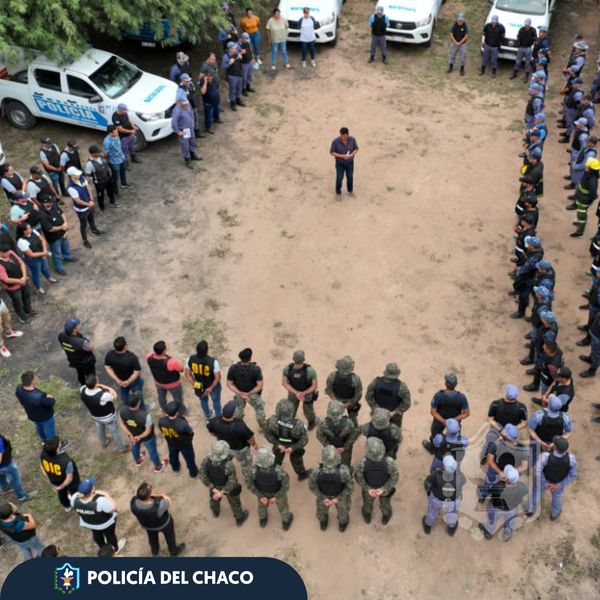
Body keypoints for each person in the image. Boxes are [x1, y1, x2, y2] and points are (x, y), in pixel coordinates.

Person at [198, 440, 249, 526]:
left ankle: (215, 511)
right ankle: (239, 518)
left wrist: (212, 487)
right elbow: (232, 481)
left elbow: (202, 474)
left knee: (214, 499)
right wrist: (223, 492)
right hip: (228, 488)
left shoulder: (206, 460)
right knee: (235, 502)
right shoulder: (228, 465)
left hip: (214, 485)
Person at [71, 477, 126, 554]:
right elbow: (114, 508)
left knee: (97, 535)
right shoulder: (100, 501)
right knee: (110, 536)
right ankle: (114, 550)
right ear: (92, 490)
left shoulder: (73, 498)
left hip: (90, 523)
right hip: (105, 523)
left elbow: (76, 508)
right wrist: (106, 494)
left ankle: (102, 548)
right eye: (92, 486)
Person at [130, 482, 185, 557]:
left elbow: (142, 497)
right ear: (149, 495)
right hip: (164, 525)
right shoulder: (159, 505)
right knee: (170, 537)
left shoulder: (133, 503)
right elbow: (169, 501)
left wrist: (150, 495)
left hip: (148, 526)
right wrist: (162, 495)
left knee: (152, 539)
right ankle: (173, 551)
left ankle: (155, 553)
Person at [245, 447, 294, 530]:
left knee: (262, 507)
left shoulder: (252, 471)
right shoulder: (279, 471)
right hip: (278, 493)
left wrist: (261, 496)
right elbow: (285, 486)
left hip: (262, 493)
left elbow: (249, 485)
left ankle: (263, 519)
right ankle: (286, 521)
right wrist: (276, 497)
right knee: (283, 508)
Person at [119, 392, 169, 473]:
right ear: (138, 403)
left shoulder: (122, 410)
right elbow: (148, 430)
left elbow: (121, 423)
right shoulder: (145, 416)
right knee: (152, 451)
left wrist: (130, 435)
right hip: (147, 438)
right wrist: (139, 437)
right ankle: (158, 467)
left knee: (135, 447)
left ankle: (138, 460)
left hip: (133, 435)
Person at [478, 423, 528, 501]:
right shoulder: (521, 447)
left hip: (496, 470)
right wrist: (509, 473)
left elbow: (490, 460)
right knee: (492, 484)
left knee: (490, 482)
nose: (503, 432)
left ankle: (486, 495)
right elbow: (524, 465)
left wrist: (507, 473)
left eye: (504, 431)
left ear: (506, 435)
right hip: (499, 470)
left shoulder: (497, 444)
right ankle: (486, 494)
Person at [308, 445, 354, 532]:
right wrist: (338, 499)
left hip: (323, 496)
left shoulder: (316, 470)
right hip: (340, 496)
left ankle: (323, 522)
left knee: (321, 512)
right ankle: (342, 524)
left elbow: (312, 485)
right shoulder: (343, 470)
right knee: (343, 513)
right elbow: (350, 486)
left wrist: (322, 497)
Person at [529, 437, 576, 520]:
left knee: (536, 493)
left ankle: (531, 510)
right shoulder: (571, 459)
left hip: (544, 480)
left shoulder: (545, 456)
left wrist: (542, 481)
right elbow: (572, 474)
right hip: (559, 483)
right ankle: (555, 513)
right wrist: (560, 484)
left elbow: (538, 471)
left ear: (555, 447)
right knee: (557, 497)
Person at [355, 437, 398, 525]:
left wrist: (368, 488)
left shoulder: (362, 463)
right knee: (385, 503)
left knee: (367, 503)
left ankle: (367, 514)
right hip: (384, 489)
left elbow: (358, 477)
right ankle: (386, 515)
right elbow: (395, 477)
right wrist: (384, 488)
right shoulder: (390, 462)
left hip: (369, 489)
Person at [80, 374, 129, 453]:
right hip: (108, 417)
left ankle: (104, 442)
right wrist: (107, 387)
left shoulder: (82, 389)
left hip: (95, 415)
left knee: (99, 427)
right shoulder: (103, 396)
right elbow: (114, 395)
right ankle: (122, 448)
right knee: (115, 431)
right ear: (96, 384)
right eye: (97, 379)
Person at [422, 373, 470, 453]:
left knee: (435, 435)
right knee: (454, 437)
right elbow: (466, 413)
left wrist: (443, 421)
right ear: (456, 384)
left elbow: (433, 412)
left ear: (445, 383)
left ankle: (433, 448)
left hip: (439, 421)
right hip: (454, 424)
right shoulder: (461, 397)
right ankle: (450, 451)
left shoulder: (438, 396)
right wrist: (452, 421)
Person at [16, 371, 67, 445]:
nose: (36, 378)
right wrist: (50, 397)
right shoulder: (38, 397)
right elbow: (51, 402)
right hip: (45, 417)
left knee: (39, 427)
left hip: (32, 415)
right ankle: (54, 445)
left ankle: (44, 440)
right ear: (33, 381)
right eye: (35, 377)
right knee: (50, 431)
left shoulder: (19, 389)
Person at [479, 465, 528, 542]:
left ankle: (488, 532)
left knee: (492, 521)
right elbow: (525, 491)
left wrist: (499, 480)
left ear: (506, 478)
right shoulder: (523, 486)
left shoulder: (498, 486)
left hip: (496, 509)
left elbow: (489, 490)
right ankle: (507, 533)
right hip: (512, 509)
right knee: (510, 522)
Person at [264, 399, 310, 480]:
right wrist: (293, 447)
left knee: (276, 459)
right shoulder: (298, 425)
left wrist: (277, 444)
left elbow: (267, 434)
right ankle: (301, 474)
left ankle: (275, 471)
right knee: (297, 461)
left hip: (279, 445)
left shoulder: (272, 421)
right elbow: (304, 439)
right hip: (294, 446)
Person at [422, 455, 466, 536]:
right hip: (452, 501)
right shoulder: (460, 476)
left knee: (432, 511)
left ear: (444, 466)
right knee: (452, 513)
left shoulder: (436, 475)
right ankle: (451, 529)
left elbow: (427, 483)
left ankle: (428, 526)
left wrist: (429, 490)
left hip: (437, 500)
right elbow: (463, 483)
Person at [481, 385, 528, 460]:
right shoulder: (521, 407)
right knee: (509, 447)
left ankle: (485, 456)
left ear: (506, 394)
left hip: (496, 431)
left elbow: (490, 419)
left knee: (490, 444)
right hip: (511, 435)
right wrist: (513, 429)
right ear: (516, 396)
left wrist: (501, 429)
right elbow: (524, 423)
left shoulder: (496, 404)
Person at [207, 401, 257, 470]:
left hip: (225, 448)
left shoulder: (214, 421)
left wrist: (218, 435)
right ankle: (247, 473)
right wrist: (254, 444)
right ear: (233, 414)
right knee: (246, 465)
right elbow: (250, 437)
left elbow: (212, 432)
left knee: (225, 461)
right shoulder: (239, 425)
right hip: (239, 450)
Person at [104, 336, 148, 408]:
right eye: (126, 343)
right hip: (134, 381)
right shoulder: (132, 357)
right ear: (125, 346)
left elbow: (107, 367)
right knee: (138, 395)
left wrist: (117, 379)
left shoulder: (110, 355)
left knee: (124, 394)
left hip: (120, 380)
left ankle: (128, 407)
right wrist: (128, 381)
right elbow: (136, 372)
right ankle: (143, 408)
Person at [65, 166, 103, 249]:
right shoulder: (71, 188)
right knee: (83, 225)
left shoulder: (82, 178)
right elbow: (77, 200)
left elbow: (88, 188)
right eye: (76, 174)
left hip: (89, 204)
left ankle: (94, 230)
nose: (79, 175)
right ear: (71, 176)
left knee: (91, 218)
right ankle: (85, 240)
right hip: (81, 209)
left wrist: (91, 200)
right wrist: (88, 204)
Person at [226, 347, 266, 427]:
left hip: (239, 393)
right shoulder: (256, 369)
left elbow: (229, 384)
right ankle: (262, 425)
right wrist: (248, 394)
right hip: (253, 394)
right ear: (250, 358)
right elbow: (259, 386)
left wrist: (240, 393)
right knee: (259, 409)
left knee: (238, 409)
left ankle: (237, 424)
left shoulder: (233, 368)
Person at [158, 401, 198, 478]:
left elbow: (162, 430)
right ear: (177, 412)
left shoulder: (161, 421)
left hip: (171, 442)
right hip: (184, 444)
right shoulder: (182, 423)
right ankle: (193, 473)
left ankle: (175, 469)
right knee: (189, 458)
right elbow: (190, 431)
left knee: (173, 456)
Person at [39, 436, 80, 511]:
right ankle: (78, 505)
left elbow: (42, 467)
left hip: (56, 480)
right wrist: (61, 486)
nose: (61, 443)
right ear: (57, 450)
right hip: (70, 481)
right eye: (59, 444)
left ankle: (67, 506)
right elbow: (69, 479)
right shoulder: (66, 462)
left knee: (62, 494)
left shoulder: (43, 454)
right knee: (75, 492)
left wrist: (50, 477)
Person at [16, 222, 57, 296]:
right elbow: (31, 254)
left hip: (41, 254)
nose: (31, 229)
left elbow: (42, 240)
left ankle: (49, 277)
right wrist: (44, 253)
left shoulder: (33, 231)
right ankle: (38, 288)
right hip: (33, 260)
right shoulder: (21, 242)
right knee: (36, 273)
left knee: (45, 268)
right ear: (24, 231)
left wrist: (44, 250)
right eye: (29, 228)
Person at [365, 362, 411, 428]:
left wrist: (376, 408)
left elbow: (368, 397)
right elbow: (406, 403)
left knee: (375, 431)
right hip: (394, 418)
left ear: (386, 371)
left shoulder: (375, 382)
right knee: (394, 433)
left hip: (377, 416)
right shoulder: (402, 387)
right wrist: (394, 412)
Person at [146, 340, 186, 415]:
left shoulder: (148, 357)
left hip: (158, 383)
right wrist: (179, 363)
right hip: (173, 385)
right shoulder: (170, 362)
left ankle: (165, 411)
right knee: (178, 398)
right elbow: (181, 369)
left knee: (161, 397)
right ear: (164, 351)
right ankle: (181, 412)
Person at [39, 195, 76, 276]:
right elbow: (49, 229)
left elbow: (62, 213)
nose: (52, 203)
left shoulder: (54, 205)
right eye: (49, 202)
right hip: (54, 237)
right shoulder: (42, 214)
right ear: (44, 203)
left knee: (66, 245)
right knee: (57, 252)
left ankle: (67, 257)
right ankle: (58, 267)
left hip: (62, 232)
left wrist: (65, 223)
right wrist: (61, 227)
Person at [281, 349, 318, 430]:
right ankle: (312, 423)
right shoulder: (310, 371)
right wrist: (303, 393)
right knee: (308, 410)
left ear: (293, 359)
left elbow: (284, 383)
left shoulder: (287, 368)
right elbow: (314, 386)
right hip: (307, 394)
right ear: (303, 359)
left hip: (293, 393)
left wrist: (296, 393)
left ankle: (290, 425)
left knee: (291, 409)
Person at [528, 395, 573, 460]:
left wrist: (540, 442)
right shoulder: (565, 417)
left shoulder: (539, 415)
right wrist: (555, 443)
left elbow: (531, 430)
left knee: (533, 457)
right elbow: (569, 432)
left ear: (549, 404)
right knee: (551, 459)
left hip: (538, 442)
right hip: (555, 446)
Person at [185, 340, 222, 419]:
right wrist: (211, 388)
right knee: (216, 401)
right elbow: (217, 377)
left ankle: (208, 415)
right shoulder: (213, 362)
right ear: (207, 350)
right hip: (213, 386)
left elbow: (187, 374)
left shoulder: (190, 359)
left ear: (196, 349)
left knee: (203, 401)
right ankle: (218, 416)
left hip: (200, 386)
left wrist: (196, 385)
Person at [0, 243, 35, 324]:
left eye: (9, 250)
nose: (9, 253)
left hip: (23, 281)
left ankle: (28, 310)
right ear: (0, 252)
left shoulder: (11, 253)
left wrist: (24, 276)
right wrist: (20, 281)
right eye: (6, 252)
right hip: (13, 288)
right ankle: (22, 316)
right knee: (17, 302)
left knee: (26, 296)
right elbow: (6, 279)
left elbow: (21, 263)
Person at [316, 399, 359, 466]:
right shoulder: (349, 423)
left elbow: (319, 436)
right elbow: (353, 436)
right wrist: (345, 447)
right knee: (346, 462)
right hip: (345, 448)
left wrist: (328, 446)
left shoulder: (322, 423)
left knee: (331, 462)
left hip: (330, 448)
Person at [325, 355, 363, 425]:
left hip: (338, 400)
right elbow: (358, 394)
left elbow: (329, 390)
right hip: (349, 400)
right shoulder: (355, 379)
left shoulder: (332, 376)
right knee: (352, 418)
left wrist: (336, 401)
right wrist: (348, 404)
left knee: (335, 417)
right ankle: (354, 428)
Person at [58, 318, 96, 385]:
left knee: (80, 372)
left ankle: (83, 384)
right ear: (74, 330)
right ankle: (92, 385)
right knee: (90, 375)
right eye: (77, 325)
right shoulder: (81, 342)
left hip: (74, 360)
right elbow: (92, 349)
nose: (79, 326)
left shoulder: (61, 336)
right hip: (86, 362)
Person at [0, 433, 36, 502]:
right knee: (15, 479)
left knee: (1, 476)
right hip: (6, 465)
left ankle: (5, 487)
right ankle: (22, 497)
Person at [569, 157, 600, 238]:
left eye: (587, 166)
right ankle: (580, 223)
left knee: (581, 215)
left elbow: (593, 194)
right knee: (580, 213)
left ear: (591, 168)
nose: (586, 167)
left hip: (584, 200)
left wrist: (588, 201)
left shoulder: (592, 180)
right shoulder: (589, 174)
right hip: (581, 198)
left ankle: (579, 231)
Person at [85, 145, 118, 212]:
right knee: (100, 195)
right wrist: (96, 176)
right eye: (97, 152)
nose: (99, 153)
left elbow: (106, 162)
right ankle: (102, 207)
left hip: (108, 179)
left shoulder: (101, 157)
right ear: (92, 154)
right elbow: (88, 173)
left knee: (110, 191)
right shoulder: (89, 163)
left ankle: (112, 202)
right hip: (99, 183)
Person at [171, 97, 202, 169]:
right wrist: (178, 131)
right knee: (185, 145)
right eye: (185, 105)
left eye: (187, 104)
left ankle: (193, 155)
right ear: (181, 103)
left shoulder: (188, 104)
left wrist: (193, 122)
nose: (187, 106)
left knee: (192, 141)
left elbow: (191, 112)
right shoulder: (177, 110)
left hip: (190, 128)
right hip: (184, 130)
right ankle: (187, 159)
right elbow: (174, 122)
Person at [329, 127, 359, 199]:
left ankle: (350, 191)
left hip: (350, 162)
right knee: (339, 177)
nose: (344, 138)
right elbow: (332, 152)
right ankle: (338, 193)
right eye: (342, 136)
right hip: (340, 163)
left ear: (348, 134)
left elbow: (356, 148)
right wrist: (342, 156)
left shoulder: (352, 139)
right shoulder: (335, 142)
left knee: (350, 176)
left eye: (345, 136)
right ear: (340, 134)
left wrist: (352, 154)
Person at [103, 125, 131, 199]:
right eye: (115, 132)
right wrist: (109, 160)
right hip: (114, 162)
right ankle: (115, 191)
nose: (117, 133)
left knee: (123, 171)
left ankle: (124, 184)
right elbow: (106, 154)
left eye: (117, 131)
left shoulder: (117, 136)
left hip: (121, 158)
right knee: (115, 177)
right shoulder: (107, 141)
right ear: (110, 133)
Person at [222, 41, 245, 111]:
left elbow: (239, 57)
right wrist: (229, 63)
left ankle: (238, 99)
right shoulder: (226, 56)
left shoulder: (236, 52)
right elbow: (223, 67)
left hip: (239, 74)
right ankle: (233, 102)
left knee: (239, 88)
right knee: (232, 90)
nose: (235, 48)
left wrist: (240, 57)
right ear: (230, 49)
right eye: (234, 48)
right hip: (232, 76)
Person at [199, 70, 221, 134]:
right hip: (208, 102)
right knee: (208, 116)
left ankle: (216, 119)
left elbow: (217, 87)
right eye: (209, 77)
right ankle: (208, 128)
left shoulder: (214, 80)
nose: (211, 78)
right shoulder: (202, 82)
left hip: (216, 100)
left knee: (216, 111)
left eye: (211, 77)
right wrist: (205, 82)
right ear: (206, 76)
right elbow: (203, 92)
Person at [579, 310, 600, 378]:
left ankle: (592, 370)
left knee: (597, 354)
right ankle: (591, 359)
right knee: (593, 349)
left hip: (598, 338)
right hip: (595, 333)